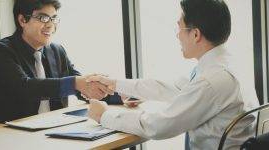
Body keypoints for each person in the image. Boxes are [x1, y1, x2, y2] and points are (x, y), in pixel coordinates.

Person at [87, 0, 259, 149]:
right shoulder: (223, 65)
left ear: (196, 34)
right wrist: (114, 84)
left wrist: (104, 115)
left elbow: (159, 126)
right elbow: (171, 88)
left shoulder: (212, 80)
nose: (178, 36)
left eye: (180, 28)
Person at [0, 0, 121, 125]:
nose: (50, 25)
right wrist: (75, 82)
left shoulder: (56, 50)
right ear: (22, 20)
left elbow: (83, 87)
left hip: (54, 129)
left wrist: (120, 95)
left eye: (54, 18)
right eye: (43, 18)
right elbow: (24, 88)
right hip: (10, 133)